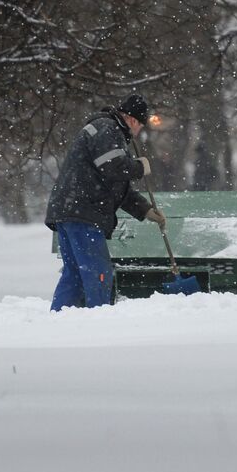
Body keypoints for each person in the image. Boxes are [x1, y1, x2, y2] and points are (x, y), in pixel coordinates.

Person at [45, 94, 166, 310]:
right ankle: (98, 321)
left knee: (75, 274)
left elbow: (115, 186)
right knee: (98, 273)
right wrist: (139, 167)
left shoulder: (104, 130)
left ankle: (59, 320)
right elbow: (114, 168)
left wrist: (146, 210)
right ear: (131, 120)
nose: (138, 133)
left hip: (69, 210)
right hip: (83, 212)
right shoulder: (108, 129)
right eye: (140, 125)